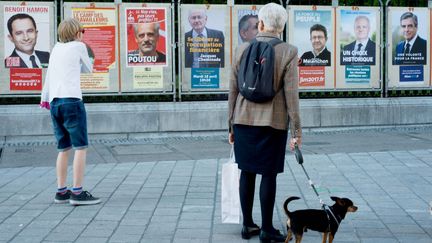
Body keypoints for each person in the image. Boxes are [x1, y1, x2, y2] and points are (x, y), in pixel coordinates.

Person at [228, 3, 302, 242]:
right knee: (268, 174)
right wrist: (297, 131)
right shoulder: (289, 51)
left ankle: (248, 225)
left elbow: (233, 91)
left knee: (246, 172)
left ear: (260, 24)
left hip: (242, 120)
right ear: (282, 27)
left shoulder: (241, 50)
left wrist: (230, 126)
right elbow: (292, 94)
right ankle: (267, 229)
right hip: (273, 122)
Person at [40, 18, 100, 206]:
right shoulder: (78, 46)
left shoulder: (56, 49)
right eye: (81, 31)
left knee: (63, 148)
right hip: (72, 101)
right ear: (77, 33)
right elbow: (89, 69)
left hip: (55, 102)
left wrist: (45, 97)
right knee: (80, 147)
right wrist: (85, 45)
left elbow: (51, 75)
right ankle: (77, 192)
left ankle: (61, 191)